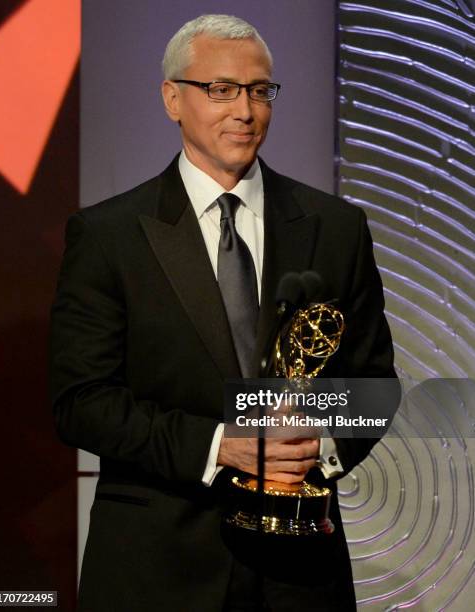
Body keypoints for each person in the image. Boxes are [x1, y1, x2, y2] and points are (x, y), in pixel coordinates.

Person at [49, 14, 396, 612]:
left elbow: (373, 383)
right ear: (172, 99)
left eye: (260, 91)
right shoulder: (107, 236)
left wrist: (318, 449)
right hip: (155, 569)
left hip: (299, 573)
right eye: (222, 90)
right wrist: (222, 444)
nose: (245, 110)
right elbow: (82, 402)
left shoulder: (336, 228)